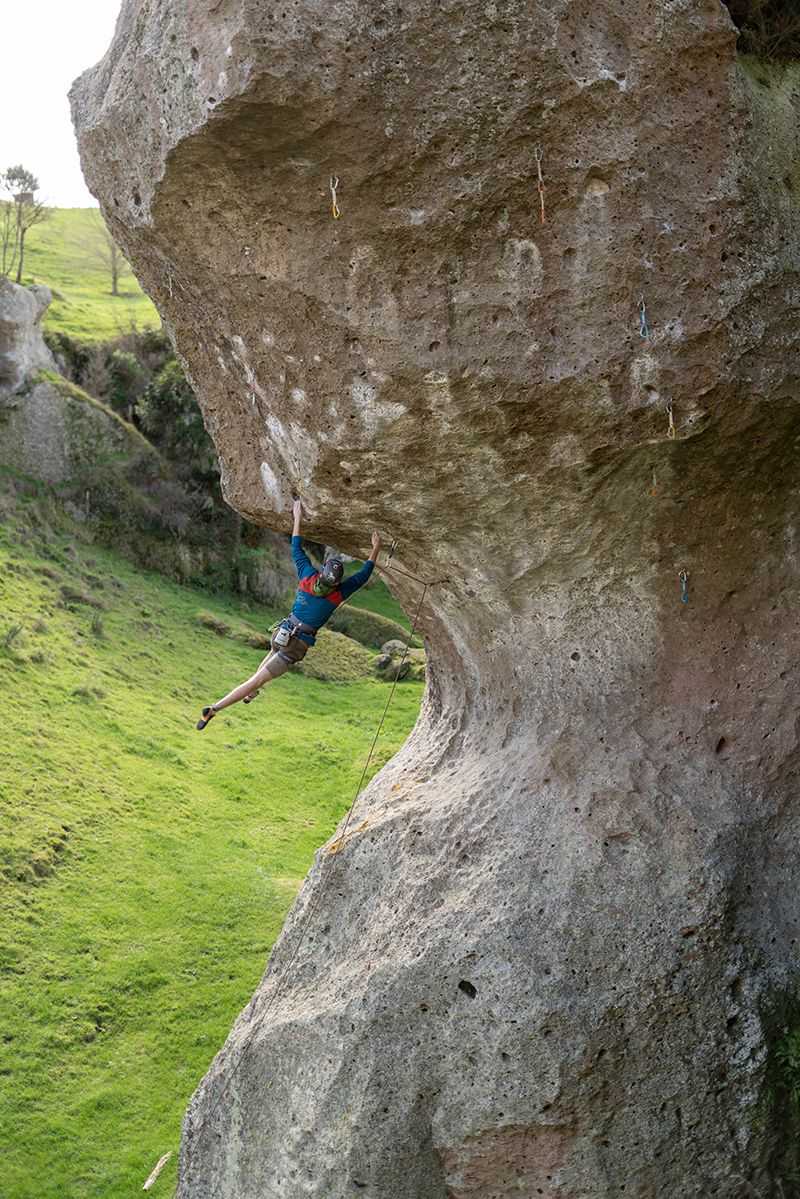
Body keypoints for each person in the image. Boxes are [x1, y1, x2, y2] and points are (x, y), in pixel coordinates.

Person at [197, 500, 381, 729]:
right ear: (337, 582)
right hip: (297, 644)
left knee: (263, 669)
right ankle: (214, 709)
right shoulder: (339, 593)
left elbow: (296, 547)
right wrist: (375, 548)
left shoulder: (307, 575)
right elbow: (363, 575)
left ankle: (250, 694)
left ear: (322, 570)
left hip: (283, 632)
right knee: (257, 679)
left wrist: (297, 517)